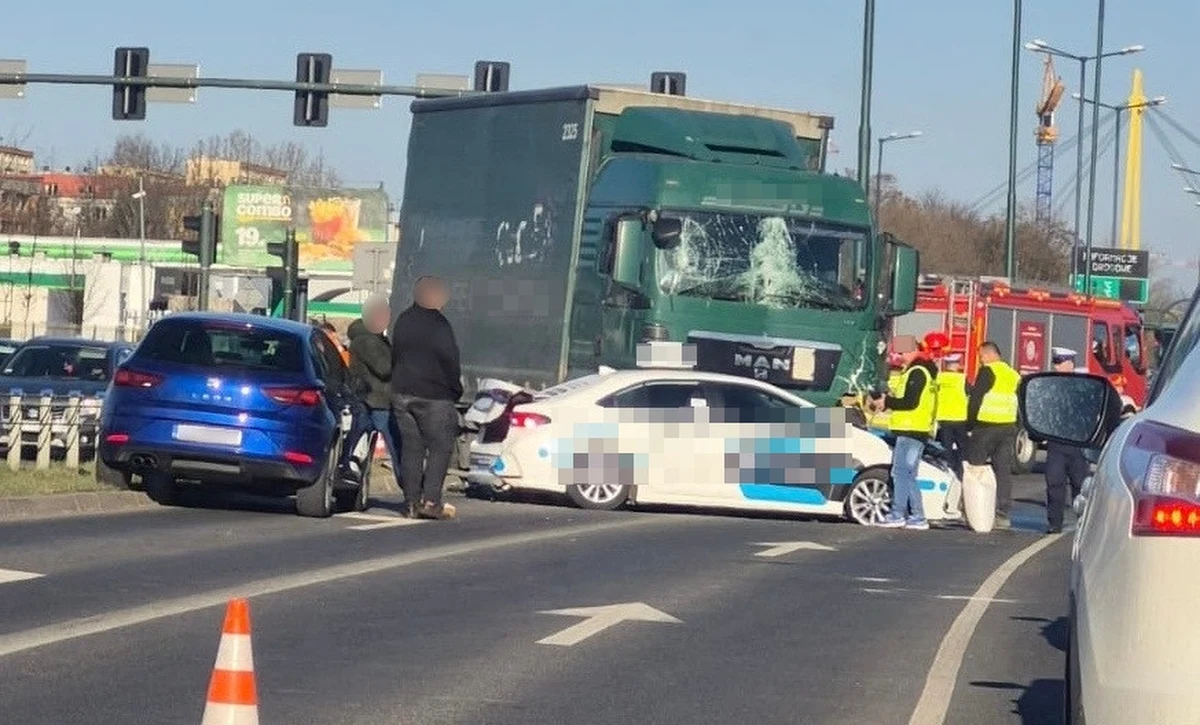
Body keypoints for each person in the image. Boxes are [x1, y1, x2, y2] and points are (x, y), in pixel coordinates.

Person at [391, 276, 463, 520]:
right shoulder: (439, 325)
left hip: (402, 393)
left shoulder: (403, 320)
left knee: (411, 448)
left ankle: (411, 503)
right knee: (441, 446)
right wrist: (455, 389)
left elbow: (396, 354)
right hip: (433, 394)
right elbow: (450, 360)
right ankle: (431, 501)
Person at [872, 333, 942, 530]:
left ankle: (897, 514)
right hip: (916, 429)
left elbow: (910, 402)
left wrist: (887, 402)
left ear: (913, 350)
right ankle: (917, 517)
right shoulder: (923, 370)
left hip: (911, 429)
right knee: (908, 475)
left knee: (901, 473)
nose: (900, 356)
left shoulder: (917, 372)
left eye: (902, 352)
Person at [340, 294, 404, 491]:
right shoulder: (368, 340)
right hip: (376, 402)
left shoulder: (374, 339)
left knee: (358, 440)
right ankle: (410, 490)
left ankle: (347, 470)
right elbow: (384, 368)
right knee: (396, 447)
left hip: (372, 400)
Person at [965, 341, 1021, 530]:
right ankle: (1003, 514)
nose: (981, 362)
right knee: (1003, 471)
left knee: (976, 470)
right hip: (1007, 428)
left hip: (985, 427)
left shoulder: (988, 371)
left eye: (981, 357)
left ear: (989, 355)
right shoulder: (1013, 374)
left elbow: (976, 399)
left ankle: (976, 511)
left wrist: (969, 424)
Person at [1044, 347, 1091, 534]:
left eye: (1059, 362)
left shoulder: (1082, 387)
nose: (1056, 366)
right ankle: (1054, 523)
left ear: (1070, 364)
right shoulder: (1050, 386)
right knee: (1054, 483)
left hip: (1077, 444)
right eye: (1055, 362)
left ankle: (1083, 522)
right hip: (1056, 443)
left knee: (1080, 485)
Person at [935, 352, 969, 517]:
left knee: (945, 453)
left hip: (943, 422)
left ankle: (948, 470)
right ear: (956, 364)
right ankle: (959, 476)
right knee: (963, 456)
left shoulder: (939, 378)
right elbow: (972, 395)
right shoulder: (961, 379)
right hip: (960, 422)